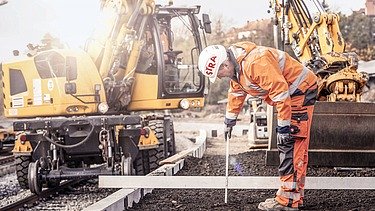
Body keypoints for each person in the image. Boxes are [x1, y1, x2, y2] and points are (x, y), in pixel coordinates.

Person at [198, 41, 318, 210]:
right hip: (291, 93)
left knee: (290, 145)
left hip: (299, 92)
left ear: (225, 63)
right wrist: (229, 120)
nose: (219, 77)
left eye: (219, 72)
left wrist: (283, 127)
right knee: (292, 146)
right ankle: (294, 198)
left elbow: (280, 92)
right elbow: (236, 93)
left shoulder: (256, 62)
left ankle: (287, 202)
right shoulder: (238, 70)